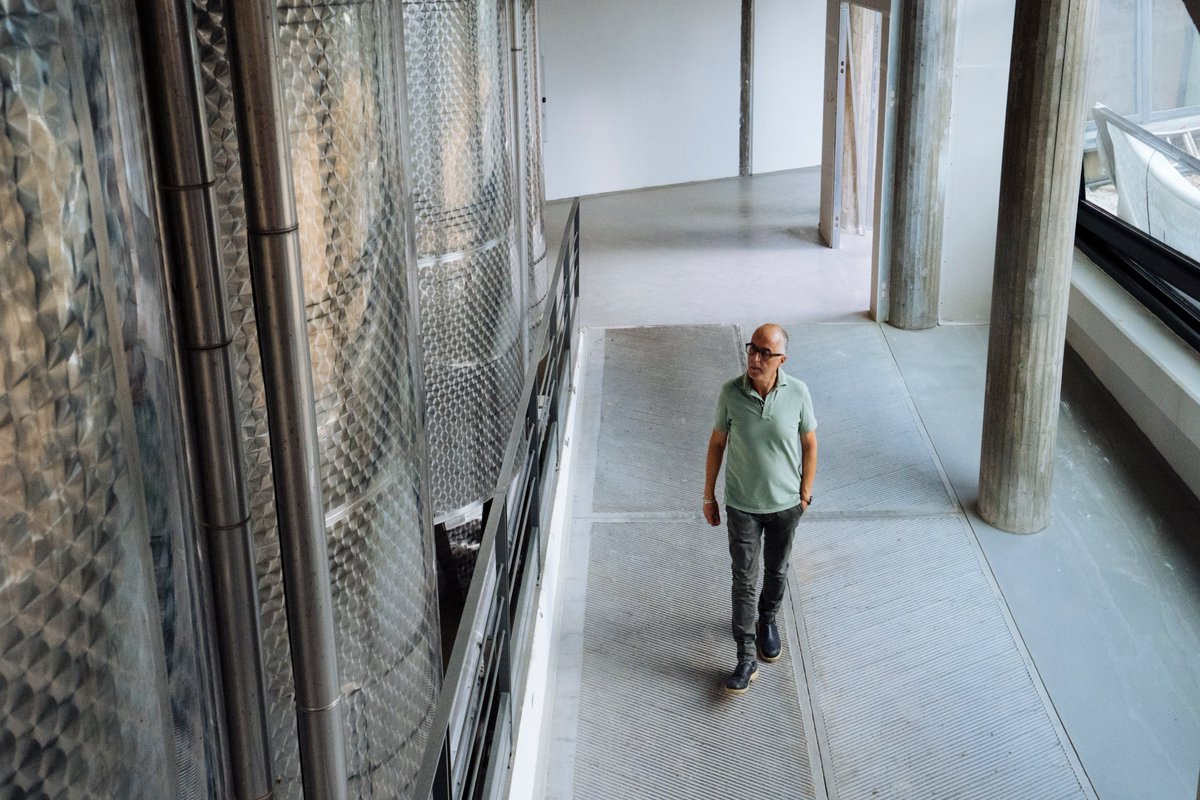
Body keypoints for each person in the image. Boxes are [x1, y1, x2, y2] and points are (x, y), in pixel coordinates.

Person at [704, 323, 818, 695]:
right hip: (742, 506)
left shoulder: (798, 392)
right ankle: (745, 656)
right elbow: (717, 444)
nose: (754, 358)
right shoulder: (730, 394)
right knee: (744, 579)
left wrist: (805, 495)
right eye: (752, 349)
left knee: (777, 570)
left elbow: (810, 444)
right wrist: (709, 495)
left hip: (786, 506)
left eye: (764, 353)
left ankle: (768, 619)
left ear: (781, 359)